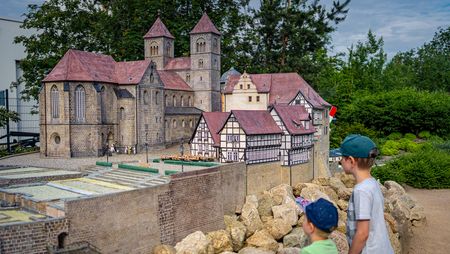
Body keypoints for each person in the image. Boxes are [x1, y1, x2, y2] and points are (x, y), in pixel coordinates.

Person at [334, 134, 394, 254]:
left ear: (351, 160)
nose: (340, 160)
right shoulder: (373, 184)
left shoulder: (361, 191)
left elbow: (362, 233)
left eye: (342, 157)